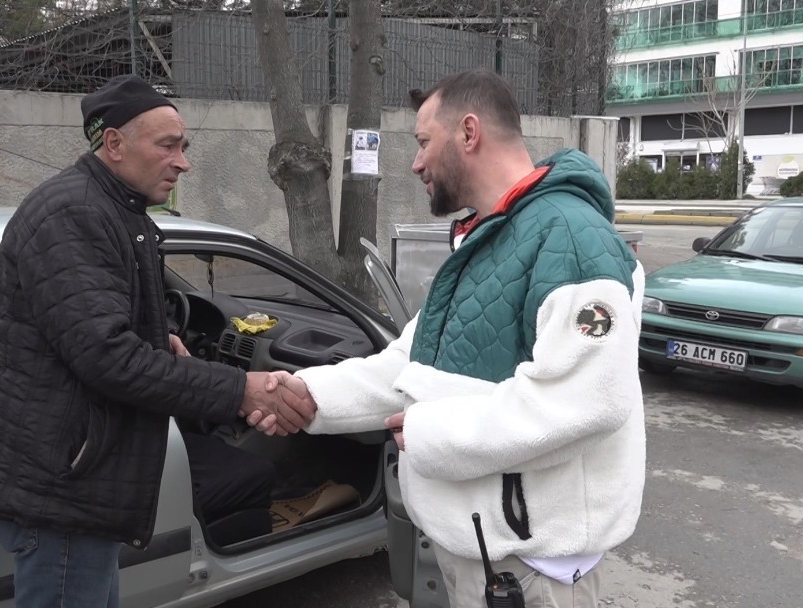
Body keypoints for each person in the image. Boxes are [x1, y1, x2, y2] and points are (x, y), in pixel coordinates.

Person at [255, 69, 646, 607]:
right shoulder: (489, 236)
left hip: (531, 573)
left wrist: (428, 430)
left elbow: (584, 404)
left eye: (423, 142)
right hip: (483, 555)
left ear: (468, 132)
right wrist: (309, 394)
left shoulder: (572, 240)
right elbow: (411, 364)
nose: (415, 163)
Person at [0, 74, 312, 608]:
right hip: (66, 488)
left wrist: (158, 337)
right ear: (115, 143)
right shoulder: (75, 214)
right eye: (168, 146)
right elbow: (108, 357)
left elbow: (88, 319)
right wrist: (240, 389)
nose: (183, 162)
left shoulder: (113, 208)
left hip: (76, 479)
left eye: (184, 147)